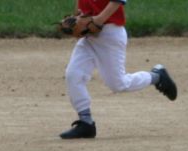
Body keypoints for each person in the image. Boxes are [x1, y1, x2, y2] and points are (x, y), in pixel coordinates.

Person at [60, 0, 178, 139]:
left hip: (110, 33)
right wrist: (78, 16)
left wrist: (99, 19)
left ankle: (157, 76)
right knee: (73, 75)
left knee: (118, 84)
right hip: (89, 36)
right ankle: (86, 123)